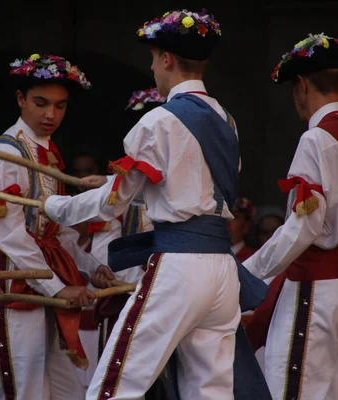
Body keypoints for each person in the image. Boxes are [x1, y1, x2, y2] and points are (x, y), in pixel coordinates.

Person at [43, 9, 268, 399]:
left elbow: (113, 203)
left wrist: (55, 207)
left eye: (152, 59)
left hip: (179, 264)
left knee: (115, 385)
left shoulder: (158, 121)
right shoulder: (227, 119)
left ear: (166, 59)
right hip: (221, 270)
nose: (151, 69)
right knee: (211, 391)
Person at [243, 33, 338, 399]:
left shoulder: (316, 139)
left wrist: (246, 273)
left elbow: (303, 227)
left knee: (290, 391)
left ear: (300, 85)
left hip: (315, 290)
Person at [0, 53, 104, 400]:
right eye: (41, 103)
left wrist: (93, 268)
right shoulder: (5, 153)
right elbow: (11, 235)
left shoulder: (48, 151)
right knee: (25, 388)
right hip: (12, 275)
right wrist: (58, 289)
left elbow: (58, 232)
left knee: (66, 388)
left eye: (60, 106)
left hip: (50, 274)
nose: (50, 115)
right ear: (20, 99)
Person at [228, 197, 256, 262]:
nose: (226, 221)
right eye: (221, 216)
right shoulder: (205, 256)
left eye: (234, 216)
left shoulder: (254, 259)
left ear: (247, 225)